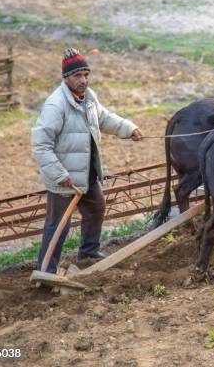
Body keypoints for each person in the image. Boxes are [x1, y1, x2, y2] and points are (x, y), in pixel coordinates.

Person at [31, 48, 143, 273]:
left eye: (85, 75)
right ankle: (46, 270)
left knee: (96, 209)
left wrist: (129, 128)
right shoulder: (56, 105)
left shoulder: (89, 98)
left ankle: (89, 251)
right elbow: (41, 145)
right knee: (58, 226)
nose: (83, 80)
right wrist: (59, 174)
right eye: (77, 76)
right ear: (66, 78)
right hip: (65, 179)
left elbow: (104, 118)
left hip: (86, 173)